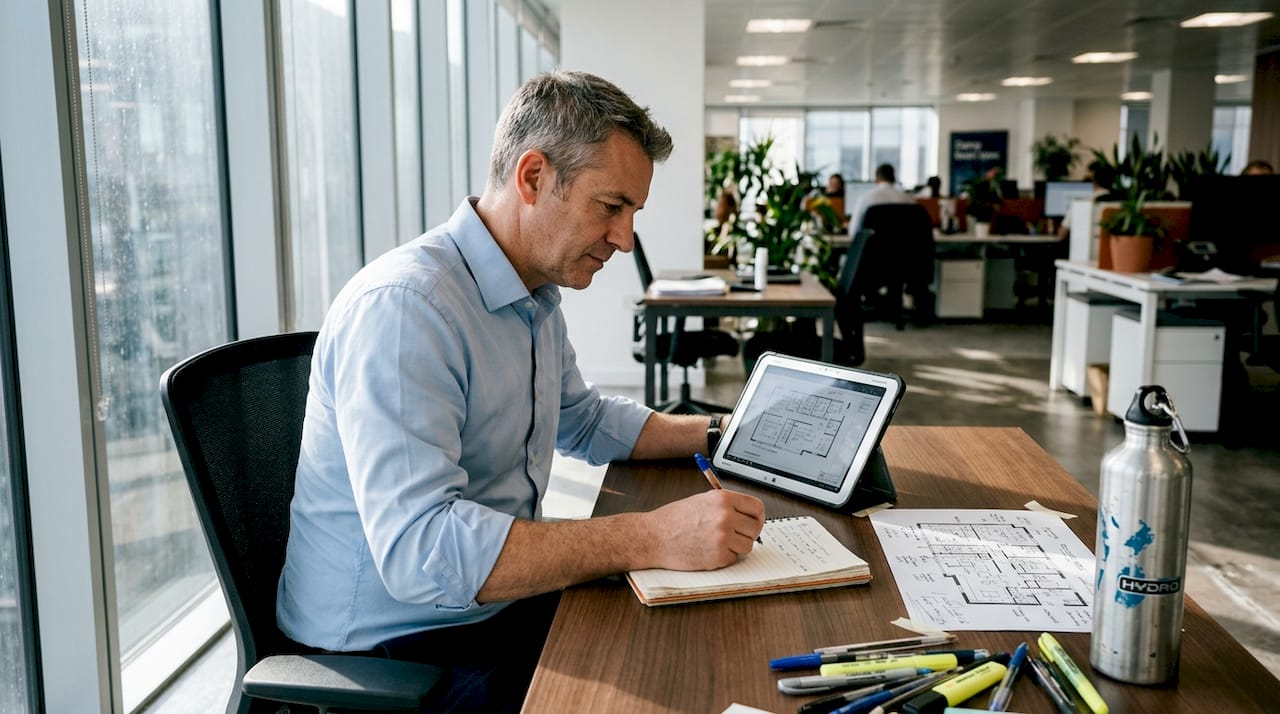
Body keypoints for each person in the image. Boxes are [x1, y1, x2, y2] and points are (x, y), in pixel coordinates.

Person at [276, 70, 766, 713]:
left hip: (489, 610)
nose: (624, 239)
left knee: (700, 643)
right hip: (392, 656)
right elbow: (422, 551)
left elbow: (582, 421)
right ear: (533, 178)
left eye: (632, 215)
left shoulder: (530, 294)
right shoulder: (407, 309)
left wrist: (722, 432)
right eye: (611, 207)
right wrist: (649, 536)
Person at [849, 163, 915, 234]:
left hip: (873, 244)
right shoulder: (909, 200)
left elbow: (853, 231)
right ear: (893, 179)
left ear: (876, 179)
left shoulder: (865, 198)